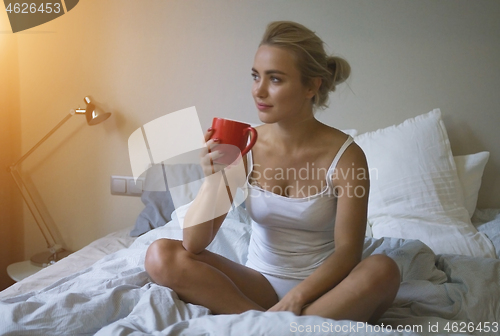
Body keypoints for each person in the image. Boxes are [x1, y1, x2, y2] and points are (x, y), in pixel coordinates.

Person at [145, 21, 400, 324]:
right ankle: (280, 327)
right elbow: (194, 244)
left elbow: (347, 253)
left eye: (275, 79)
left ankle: (267, 326)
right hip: (258, 287)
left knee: (384, 270)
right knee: (160, 255)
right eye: (256, 76)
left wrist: (297, 297)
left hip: (324, 291)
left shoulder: (347, 157)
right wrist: (215, 178)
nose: (259, 91)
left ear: (312, 85)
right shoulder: (245, 142)